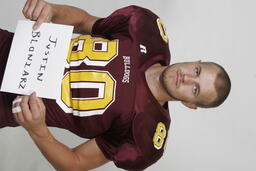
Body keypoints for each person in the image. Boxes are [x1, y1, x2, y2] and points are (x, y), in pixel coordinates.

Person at [0, 0, 231, 170]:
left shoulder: (145, 135)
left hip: (5, 105)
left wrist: (39, 132)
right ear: (196, 62)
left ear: (190, 104)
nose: (188, 78)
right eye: (197, 71)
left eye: (195, 89)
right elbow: (83, 21)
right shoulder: (146, 29)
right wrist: (53, 10)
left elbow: (76, 163)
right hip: (7, 45)